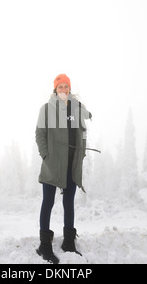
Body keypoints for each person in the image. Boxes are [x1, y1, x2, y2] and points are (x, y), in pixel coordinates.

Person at [35, 73, 92, 264]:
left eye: (66, 87)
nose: (63, 90)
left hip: (71, 164)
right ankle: (44, 246)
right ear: (55, 89)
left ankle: (68, 242)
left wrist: (82, 153)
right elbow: (40, 134)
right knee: (48, 202)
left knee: (69, 202)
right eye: (60, 87)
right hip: (52, 165)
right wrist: (45, 155)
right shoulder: (47, 109)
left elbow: (82, 132)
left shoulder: (75, 109)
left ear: (69, 89)